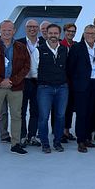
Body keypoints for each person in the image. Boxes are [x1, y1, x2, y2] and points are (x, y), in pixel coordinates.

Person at [0, 20, 30, 158]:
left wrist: (12, 80)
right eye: (4, 30)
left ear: (14, 31)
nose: (7, 32)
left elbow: (26, 66)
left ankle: (15, 144)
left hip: (16, 87)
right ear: (0, 31)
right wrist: (0, 81)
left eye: (10, 30)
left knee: (16, 116)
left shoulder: (21, 47)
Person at [67, 24, 95, 153]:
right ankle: (80, 141)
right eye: (88, 33)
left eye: (93, 33)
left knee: (91, 113)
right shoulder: (77, 48)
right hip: (81, 86)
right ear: (84, 34)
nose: (90, 36)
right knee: (81, 114)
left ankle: (88, 138)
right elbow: (70, 68)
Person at [36, 24, 69, 153]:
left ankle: (57, 142)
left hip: (62, 88)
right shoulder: (39, 50)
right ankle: (45, 143)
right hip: (45, 88)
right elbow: (34, 70)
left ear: (59, 35)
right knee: (44, 117)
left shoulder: (64, 50)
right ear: (46, 34)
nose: (53, 35)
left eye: (56, 33)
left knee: (60, 116)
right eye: (50, 33)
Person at [16, 19, 41, 147]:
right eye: (30, 27)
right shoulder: (18, 43)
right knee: (21, 110)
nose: (32, 29)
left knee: (35, 110)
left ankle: (32, 136)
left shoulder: (43, 43)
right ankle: (22, 136)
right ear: (26, 29)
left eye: (35, 27)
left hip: (37, 82)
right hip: (22, 82)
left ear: (38, 29)